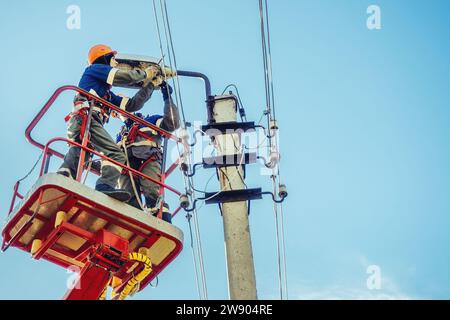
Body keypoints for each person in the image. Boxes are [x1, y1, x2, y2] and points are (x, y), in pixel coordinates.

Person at [57, 44, 162, 201]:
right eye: (113, 59)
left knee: (81, 150)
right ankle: (104, 186)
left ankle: (65, 174)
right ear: (104, 58)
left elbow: (132, 105)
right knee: (115, 154)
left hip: (86, 120)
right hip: (87, 117)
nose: (116, 63)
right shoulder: (95, 69)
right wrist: (146, 73)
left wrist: (151, 86)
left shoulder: (105, 94)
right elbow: (124, 76)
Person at [117, 81, 180, 222]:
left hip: (148, 159)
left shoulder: (150, 121)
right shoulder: (120, 135)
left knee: (152, 191)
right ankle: (132, 221)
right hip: (126, 168)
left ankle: (162, 219)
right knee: (127, 198)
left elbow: (172, 123)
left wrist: (167, 97)